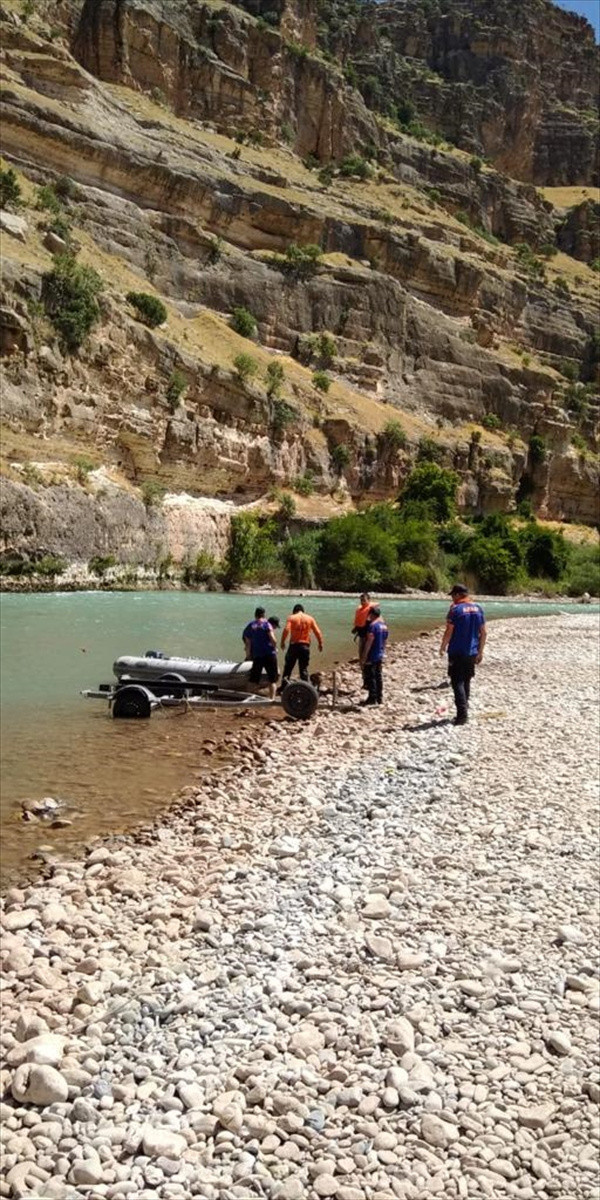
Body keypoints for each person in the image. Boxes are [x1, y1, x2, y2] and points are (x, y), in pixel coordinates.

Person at [439, 584, 486, 725]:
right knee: (466, 680)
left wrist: (442, 646)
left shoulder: (456, 610)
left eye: (453, 595)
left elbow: (449, 631)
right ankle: (465, 710)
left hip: (457, 651)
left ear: (459, 595)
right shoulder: (478, 608)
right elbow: (483, 632)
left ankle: (462, 715)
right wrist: (480, 651)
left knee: (456, 681)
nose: (452, 598)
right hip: (472, 651)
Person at [281, 603, 323, 685]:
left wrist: (282, 642)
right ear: (303, 611)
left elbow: (286, 630)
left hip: (294, 645)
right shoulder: (310, 618)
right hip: (305, 646)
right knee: (303, 668)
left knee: (288, 667)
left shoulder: (291, 617)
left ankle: (283, 686)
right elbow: (317, 632)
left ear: (294, 611)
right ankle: (306, 687)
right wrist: (320, 643)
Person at [242, 607, 278, 700]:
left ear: (255, 614)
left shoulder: (251, 625)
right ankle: (272, 699)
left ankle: (249, 701)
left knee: (253, 680)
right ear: (264, 614)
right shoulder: (267, 624)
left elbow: (248, 643)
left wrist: (248, 655)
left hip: (258, 656)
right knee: (272, 680)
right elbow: (273, 640)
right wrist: (274, 648)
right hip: (270, 654)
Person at [360, 605, 388, 706]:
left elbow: (369, 642)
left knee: (371, 676)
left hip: (372, 654)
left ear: (371, 615)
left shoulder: (372, 626)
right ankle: (379, 698)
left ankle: (372, 698)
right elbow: (385, 640)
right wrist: (383, 651)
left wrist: (364, 656)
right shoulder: (384, 626)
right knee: (378, 676)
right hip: (380, 654)